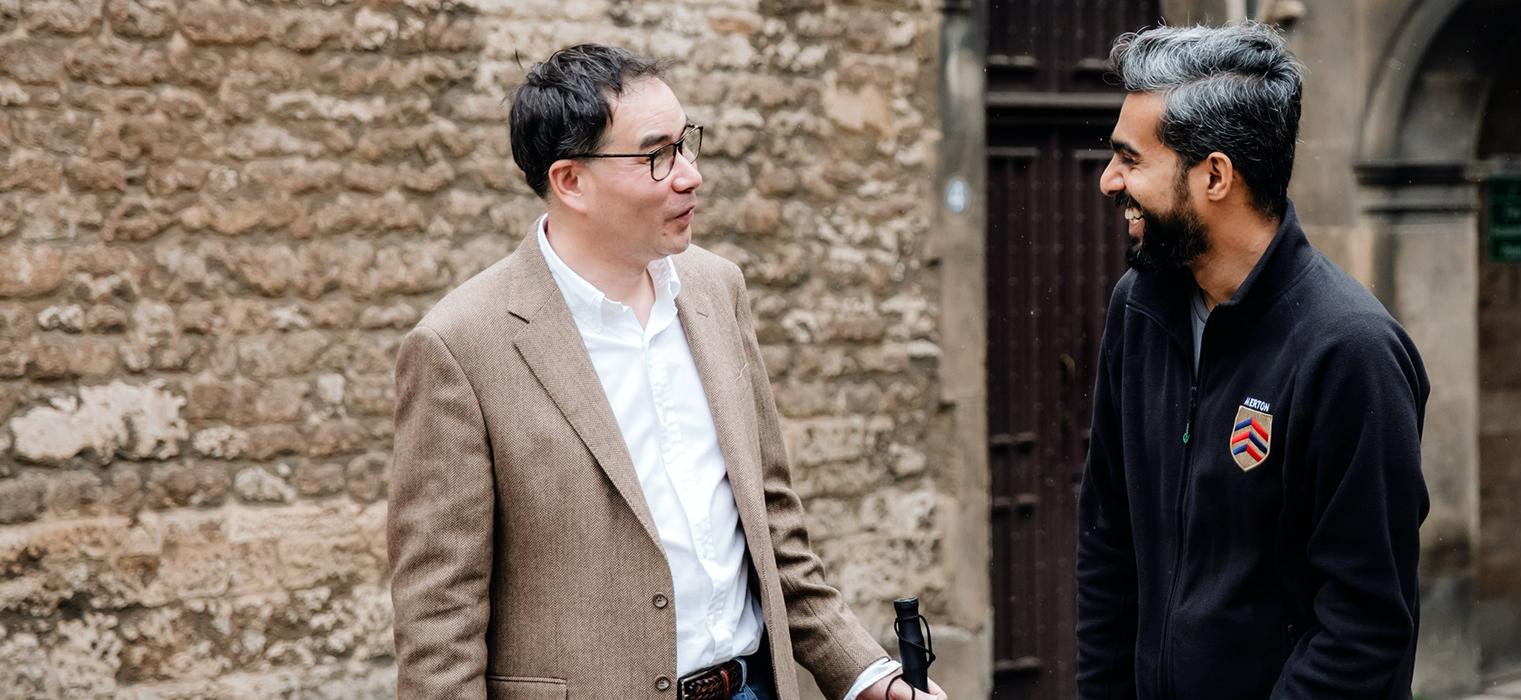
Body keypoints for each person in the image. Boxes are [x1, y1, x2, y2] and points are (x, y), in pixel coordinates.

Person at [388, 44, 945, 700]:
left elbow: (772, 526)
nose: (690, 175)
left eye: (687, 144)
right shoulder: (460, 346)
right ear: (570, 181)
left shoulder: (716, 289)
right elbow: (438, 621)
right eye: (658, 155)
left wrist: (870, 678)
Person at [1075, 22, 1431, 699]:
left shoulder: (1351, 351)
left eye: (1131, 159)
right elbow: (1108, 547)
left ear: (1215, 175)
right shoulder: (1140, 310)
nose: (1108, 180)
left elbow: (1363, 625)